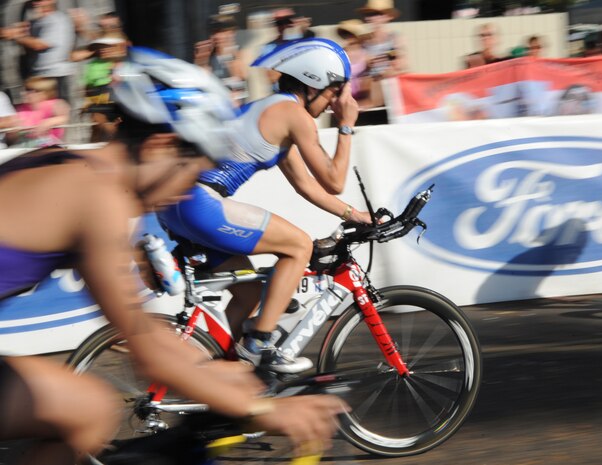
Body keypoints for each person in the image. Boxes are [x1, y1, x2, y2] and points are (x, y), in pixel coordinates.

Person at [0, 47, 346, 465]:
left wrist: (210, 374)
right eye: (191, 170)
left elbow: (142, 328)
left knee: (85, 411)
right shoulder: (98, 198)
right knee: (87, 409)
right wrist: (264, 409)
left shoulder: (67, 165)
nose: (186, 192)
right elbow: (147, 348)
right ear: (161, 145)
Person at [158, 38, 372, 374]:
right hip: (198, 201)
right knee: (299, 245)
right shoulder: (294, 115)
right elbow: (334, 180)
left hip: (177, 204)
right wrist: (346, 125)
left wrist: (354, 215)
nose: (334, 103)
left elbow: (307, 186)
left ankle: (218, 379)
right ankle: (259, 345)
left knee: (249, 295)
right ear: (312, 81)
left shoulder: (272, 109)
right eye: (333, 92)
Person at [3, 0, 75, 101]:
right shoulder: (38, 21)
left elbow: (40, 44)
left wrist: (15, 36)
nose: (35, 2)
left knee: (57, 110)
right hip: (40, 75)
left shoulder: (57, 20)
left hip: (55, 76)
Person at [358, 0, 407, 107]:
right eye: (369, 14)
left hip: (390, 87)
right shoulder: (363, 41)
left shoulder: (395, 38)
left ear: (387, 16)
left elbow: (401, 64)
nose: (371, 17)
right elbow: (361, 68)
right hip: (371, 88)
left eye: (376, 14)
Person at [193, 15, 248, 104]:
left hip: (240, 108)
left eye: (221, 32)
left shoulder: (241, 55)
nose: (216, 36)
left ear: (232, 33)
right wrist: (201, 61)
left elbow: (241, 78)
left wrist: (228, 53)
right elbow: (201, 83)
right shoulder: (208, 56)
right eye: (214, 32)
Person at [13, 76, 70, 147]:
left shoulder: (55, 104)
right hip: (26, 145)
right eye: (25, 89)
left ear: (44, 93)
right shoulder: (21, 108)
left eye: (29, 90)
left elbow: (66, 117)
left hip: (50, 145)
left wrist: (50, 122)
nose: (24, 93)